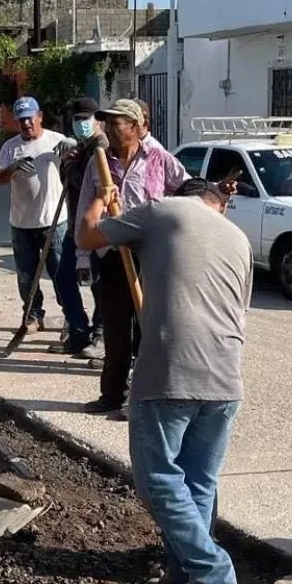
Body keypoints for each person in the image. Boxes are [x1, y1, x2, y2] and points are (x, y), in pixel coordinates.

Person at [77, 177, 252, 584]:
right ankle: (185, 574)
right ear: (219, 205)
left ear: (183, 197)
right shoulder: (238, 237)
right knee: (198, 483)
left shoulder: (161, 210)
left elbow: (88, 236)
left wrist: (98, 197)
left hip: (173, 369)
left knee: (157, 479)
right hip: (226, 375)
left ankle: (213, 574)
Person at [75, 99, 190, 417]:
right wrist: (83, 256)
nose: (109, 129)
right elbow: (85, 207)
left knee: (148, 327)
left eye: (117, 123)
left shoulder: (158, 159)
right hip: (112, 255)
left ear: (138, 128)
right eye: (107, 123)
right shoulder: (99, 162)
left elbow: (186, 190)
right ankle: (112, 394)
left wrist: (216, 191)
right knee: (115, 327)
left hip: (149, 255)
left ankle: (145, 395)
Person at [0, 96, 76, 334]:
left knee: (62, 274)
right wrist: (13, 167)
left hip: (54, 222)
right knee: (26, 277)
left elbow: (79, 164)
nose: (26, 123)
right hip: (21, 223)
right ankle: (32, 315)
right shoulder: (11, 147)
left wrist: (73, 146)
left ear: (39, 116)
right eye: (21, 120)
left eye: (30, 118)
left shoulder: (56, 140)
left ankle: (70, 318)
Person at [48, 97, 107, 355]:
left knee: (99, 284)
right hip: (76, 228)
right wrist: (69, 163)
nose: (80, 123)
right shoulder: (83, 148)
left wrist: (70, 165)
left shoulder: (101, 148)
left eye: (85, 119)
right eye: (76, 119)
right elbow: (70, 182)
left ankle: (100, 335)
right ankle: (79, 330)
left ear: (98, 120)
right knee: (64, 278)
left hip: (97, 230)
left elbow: (88, 183)